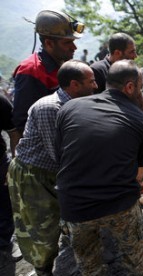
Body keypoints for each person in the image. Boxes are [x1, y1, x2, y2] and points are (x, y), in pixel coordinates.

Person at [55, 60, 143, 275]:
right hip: (119, 205)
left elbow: (61, 158)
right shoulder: (141, 122)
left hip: (75, 206)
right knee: (134, 260)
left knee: (89, 264)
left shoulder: (69, 108)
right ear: (129, 87)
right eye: (140, 86)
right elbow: (138, 175)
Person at [8, 60, 96, 276]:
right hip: (33, 175)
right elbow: (59, 155)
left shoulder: (75, 104)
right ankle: (43, 269)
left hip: (54, 171)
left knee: (64, 217)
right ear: (75, 85)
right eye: (91, 81)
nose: (95, 86)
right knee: (42, 230)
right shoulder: (51, 108)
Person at [90, 33, 143, 208]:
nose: (135, 56)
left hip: (131, 127)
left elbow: (138, 95)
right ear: (117, 53)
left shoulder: (128, 67)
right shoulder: (98, 71)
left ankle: (135, 196)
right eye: (131, 52)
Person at [11, 10, 83, 147]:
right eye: (67, 43)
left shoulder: (62, 64)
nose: (74, 47)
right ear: (49, 43)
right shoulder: (31, 71)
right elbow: (22, 121)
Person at [0, 94, 22, 265]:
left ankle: (5, 242)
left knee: (4, 202)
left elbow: (13, 133)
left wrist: (13, 164)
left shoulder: (0, 101)